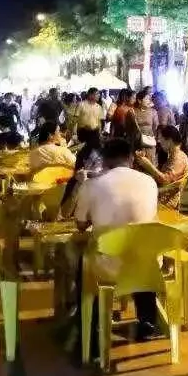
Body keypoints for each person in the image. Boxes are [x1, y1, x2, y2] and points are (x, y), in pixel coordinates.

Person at [74, 137, 160, 342]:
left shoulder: (92, 185)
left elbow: (81, 225)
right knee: (139, 250)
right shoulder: (149, 182)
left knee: (82, 264)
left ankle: (91, 322)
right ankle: (148, 320)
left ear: (104, 160)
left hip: (108, 266)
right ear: (131, 158)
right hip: (147, 265)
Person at [137, 125, 188, 210]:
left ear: (169, 140)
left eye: (161, 140)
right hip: (165, 193)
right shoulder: (176, 155)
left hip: (165, 201)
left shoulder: (178, 158)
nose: (160, 143)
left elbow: (165, 181)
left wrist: (148, 166)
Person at [133, 88, 160, 164]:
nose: (149, 101)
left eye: (149, 99)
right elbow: (130, 128)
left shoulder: (153, 112)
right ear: (139, 100)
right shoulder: (133, 112)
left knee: (150, 162)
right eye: (147, 99)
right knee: (138, 163)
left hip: (149, 142)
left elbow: (156, 127)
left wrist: (155, 139)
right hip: (137, 143)